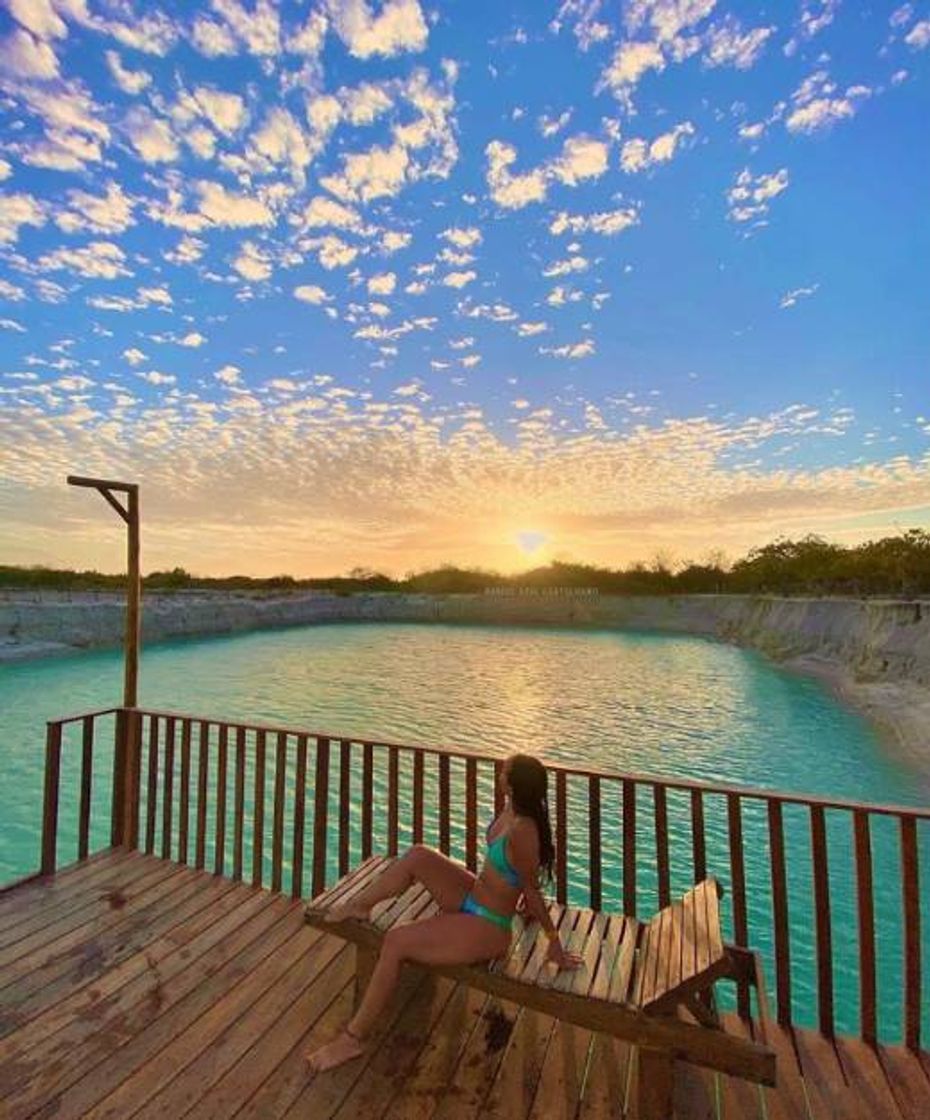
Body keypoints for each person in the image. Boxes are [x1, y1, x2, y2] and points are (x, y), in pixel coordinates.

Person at [305, 752, 583, 1073]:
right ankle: (361, 905)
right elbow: (514, 878)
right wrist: (519, 894)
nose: (500, 772)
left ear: (514, 785)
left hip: (488, 925)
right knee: (418, 855)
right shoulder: (510, 809)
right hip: (473, 896)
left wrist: (554, 942)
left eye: (505, 770)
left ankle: (353, 1038)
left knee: (395, 942)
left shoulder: (524, 830)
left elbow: (531, 888)